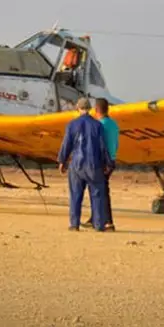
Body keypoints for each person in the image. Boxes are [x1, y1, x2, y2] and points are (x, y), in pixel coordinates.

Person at [57, 97, 113, 231]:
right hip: (94, 165)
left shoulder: (71, 125)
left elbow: (66, 145)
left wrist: (61, 161)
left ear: (78, 108)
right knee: (97, 195)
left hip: (76, 165)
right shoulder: (98, 125)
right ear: (90, 109)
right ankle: (99, 225)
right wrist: (108, 163)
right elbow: (102, 146)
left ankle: (74, 224)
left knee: (75, 195)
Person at [83, 97, 119, 230]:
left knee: (101, 191)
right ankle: (94, 218)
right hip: (112, 159)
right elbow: (116, 144)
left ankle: (108, 222)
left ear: (96, 109)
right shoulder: (114, 124)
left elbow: (99, 145)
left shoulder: (99, 125)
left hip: (103, 161)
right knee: (98, 190)